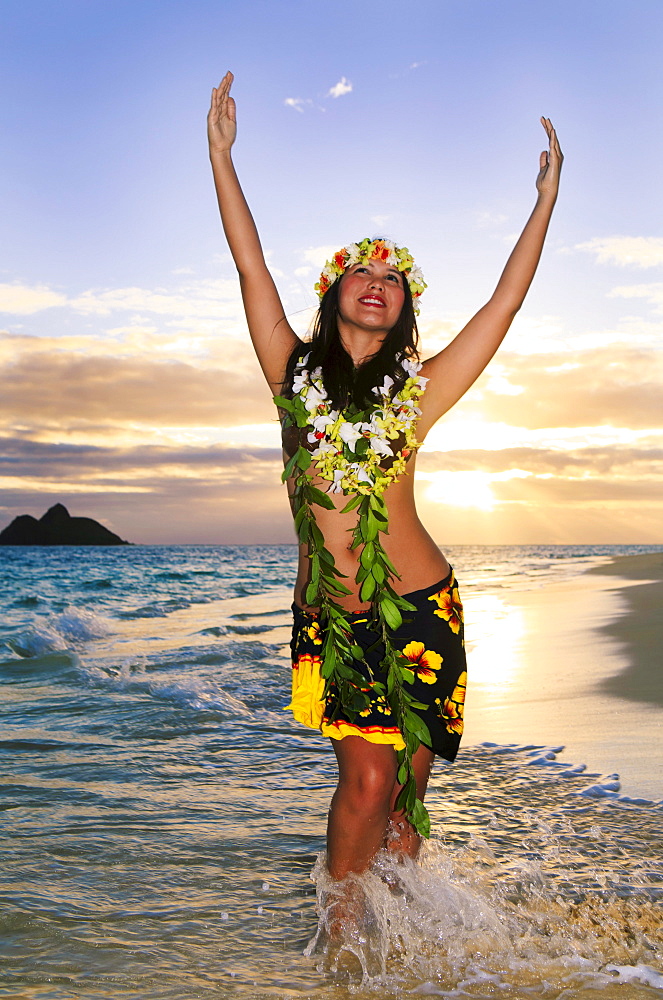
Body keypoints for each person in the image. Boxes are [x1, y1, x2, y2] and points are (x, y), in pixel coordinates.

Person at [207, 72, 563, 882]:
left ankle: (403, 946)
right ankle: (339, 941)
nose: (377, 282)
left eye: (393, 277)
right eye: (362, 272)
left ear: (403, 306)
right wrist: (222, 157)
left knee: (403, 802)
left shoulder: (418, 393)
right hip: (333, 617)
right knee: (364, 782)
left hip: (419, 606)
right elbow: (248, 262)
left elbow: (502, 305)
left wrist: (543, 200)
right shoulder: (289, 373)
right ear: (335, 292)